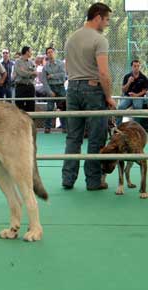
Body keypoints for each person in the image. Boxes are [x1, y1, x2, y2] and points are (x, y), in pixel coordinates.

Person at [61, 2, 116, 191]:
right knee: (96, 137)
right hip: (93, 89)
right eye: (107, 19)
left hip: (72, 88)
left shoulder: (71, 39)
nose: (107, 23)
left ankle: (67, 180)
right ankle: (93, 181)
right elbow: (103, 73)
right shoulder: (100, 40)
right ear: (98, 17)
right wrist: (109, 97)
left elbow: (67, 68)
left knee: (73, 137)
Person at [41, 47, 67, 133]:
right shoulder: (45, 67)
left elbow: (63, 75)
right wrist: (49, 91)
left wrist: (52, 76)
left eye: (51, 52)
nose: (50, 54)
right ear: (46, 55)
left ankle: (65, 127)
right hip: (51, 88)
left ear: (54, 53)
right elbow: (44, 80)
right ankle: (47, 127)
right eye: (48, 52)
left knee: (63, 108)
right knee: (49, 108)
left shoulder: (61, 64)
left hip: (61, 88)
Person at [116, 59, 148, 125]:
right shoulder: (127, 76)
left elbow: (145, 90)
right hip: (127, 97)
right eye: (134, 66)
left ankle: (136, 127)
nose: (136, 68)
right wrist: (128, 82)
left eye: (138, 66)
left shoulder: (143, 77)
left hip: (138, 97)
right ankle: (118, 127)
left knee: (137, 107)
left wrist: (136, 95)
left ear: (139, 67)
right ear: (131, 67)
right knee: (120, 107)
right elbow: (123, 90)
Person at [14, 46, 37, 112]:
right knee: (19, 107)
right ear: (27, 52)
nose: (31, 53)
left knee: (31, 107)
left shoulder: (31, 62)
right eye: (30, 51)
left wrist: (26, 72)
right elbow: (21, 73)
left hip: (30, 86)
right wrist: (31, 73)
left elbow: (35, 74)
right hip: (20, 87)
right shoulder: (18, 62)